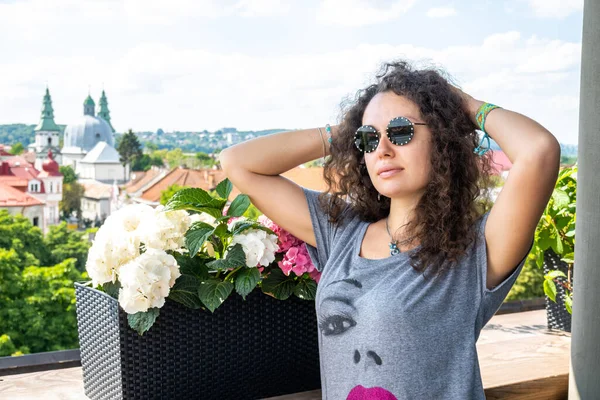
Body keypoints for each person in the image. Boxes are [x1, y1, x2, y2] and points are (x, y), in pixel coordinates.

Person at [219, 60, 560, 400]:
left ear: (441, 139)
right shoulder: (342, 232)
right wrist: (348, 131)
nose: (382, 150)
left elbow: (538, 150)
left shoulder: (473, 253)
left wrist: (462, 107)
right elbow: (238, 163)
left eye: (400, 131)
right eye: (368, 139)